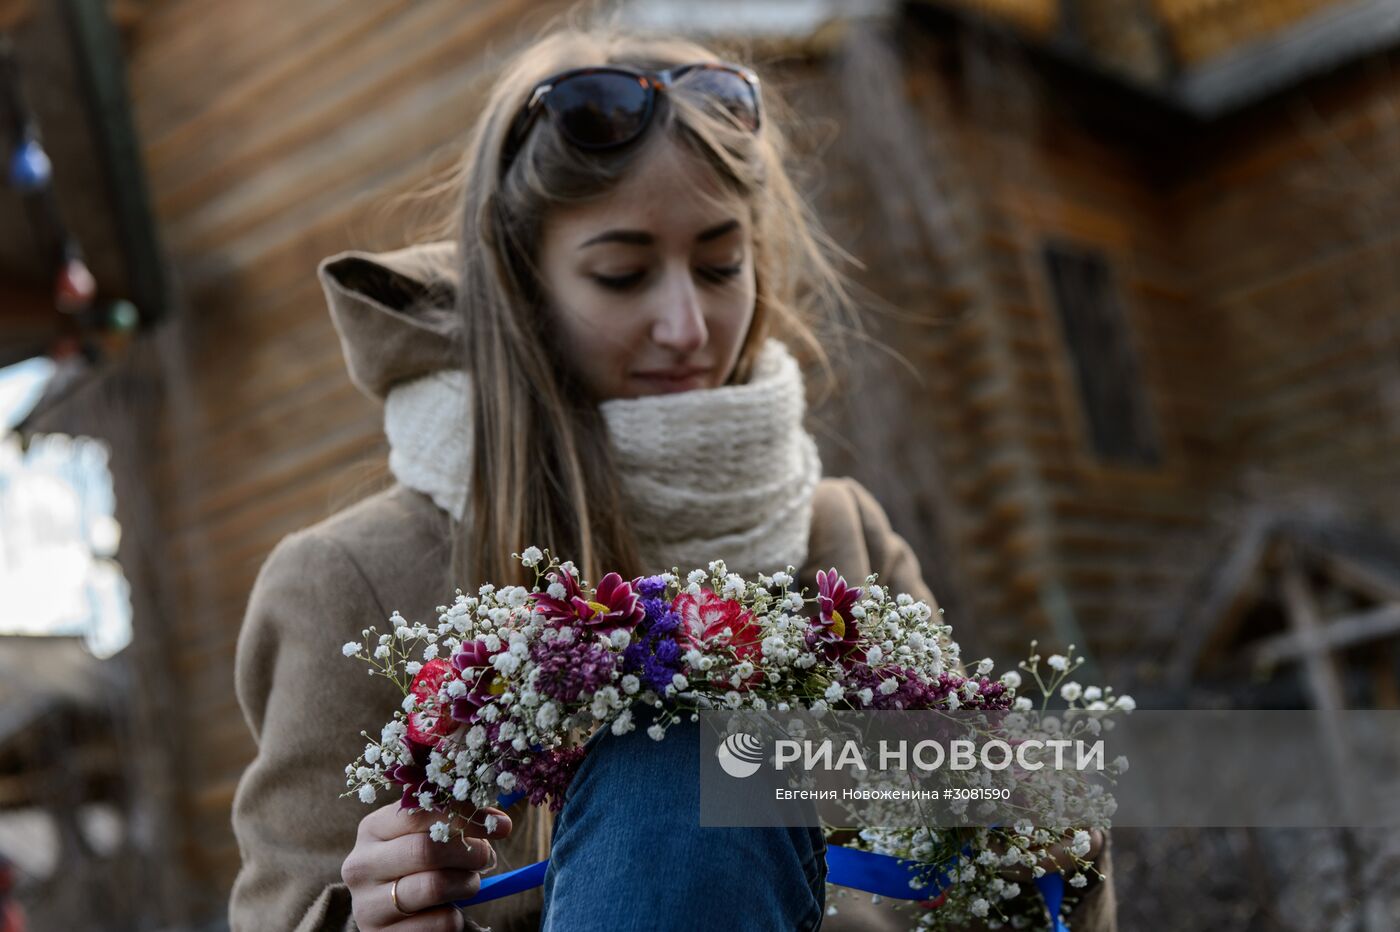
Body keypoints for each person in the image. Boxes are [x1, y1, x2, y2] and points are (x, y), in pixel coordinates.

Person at [228, 20, 1117, 932]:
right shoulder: (349, 584)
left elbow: (1001, 902)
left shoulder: (844, 538)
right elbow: (292, 905)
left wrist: (1047, 841)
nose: (688, 326)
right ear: (523, 293)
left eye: (721, 264)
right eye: (622, 274)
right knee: (687, 761)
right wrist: (380, 915)